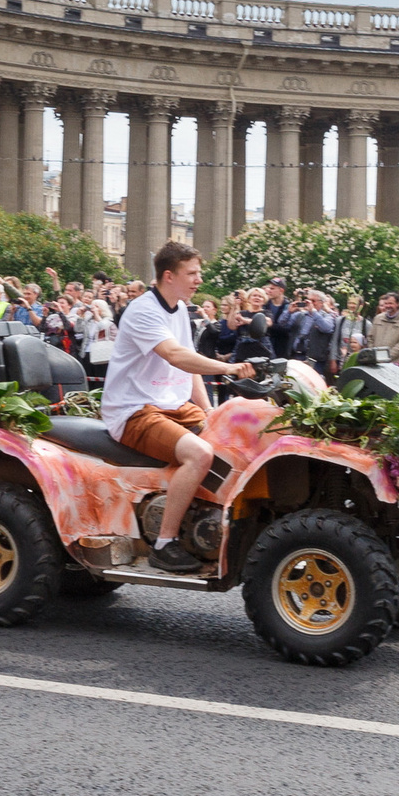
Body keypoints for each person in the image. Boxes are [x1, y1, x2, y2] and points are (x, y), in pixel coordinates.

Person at [100, 241, 263, 573]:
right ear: (169, 275)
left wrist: (209, 413)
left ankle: (212, 524)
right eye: (193, 273)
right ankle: (164, 543)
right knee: (200, 455)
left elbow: (190, 370)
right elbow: (176, 356)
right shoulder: (144, 310)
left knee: (234, 438)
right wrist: (230, 368)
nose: (199, 280)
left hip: (172, 406)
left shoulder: (180, 312)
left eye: (199, 273)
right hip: (135, 410)